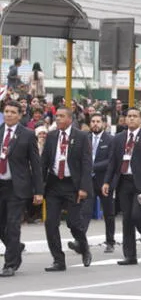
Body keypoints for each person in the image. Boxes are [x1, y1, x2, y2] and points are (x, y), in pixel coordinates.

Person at [102, 108, 141, 266]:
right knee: (127, 219)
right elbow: (112, 162)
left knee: (137, 215)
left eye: (135, 116)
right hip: (123, 182)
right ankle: (130, 255)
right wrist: (107, 181)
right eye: (129, 116)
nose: (131, 119)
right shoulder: (118, 138)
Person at [40, 107, 93, 271]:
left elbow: (86, 163)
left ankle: (83, 246)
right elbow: (44, 162)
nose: (57, 119)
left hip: (73, 185)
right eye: (57, 116)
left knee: (73, 223)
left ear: (70, 119)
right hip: (54, 184)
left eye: (61, 116)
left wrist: (83, 187)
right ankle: (58, 260)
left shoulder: (82, 137)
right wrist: (39, 186)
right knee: (50, 223)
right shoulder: (51, 136)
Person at [0, 100, 44, 277]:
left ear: (19, 115)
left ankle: (11, 263)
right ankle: (16, 247)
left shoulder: (27, 134)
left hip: (17, 187)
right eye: (7, 111)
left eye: (13, 112)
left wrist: (38, 190)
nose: (9, 114)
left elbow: (35, 164)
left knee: (12, 225)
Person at [89, 113, 115, 253]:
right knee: (84, 211)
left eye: (98, 121)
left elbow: (111, 161)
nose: (95, 124)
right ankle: (80, 241)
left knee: (108, 213)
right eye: (93, 121)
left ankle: (110, 241)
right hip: (88, 181)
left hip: (104, 181)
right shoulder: (85, 138)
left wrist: (92, 166)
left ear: (104, 124)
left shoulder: (110, 140)